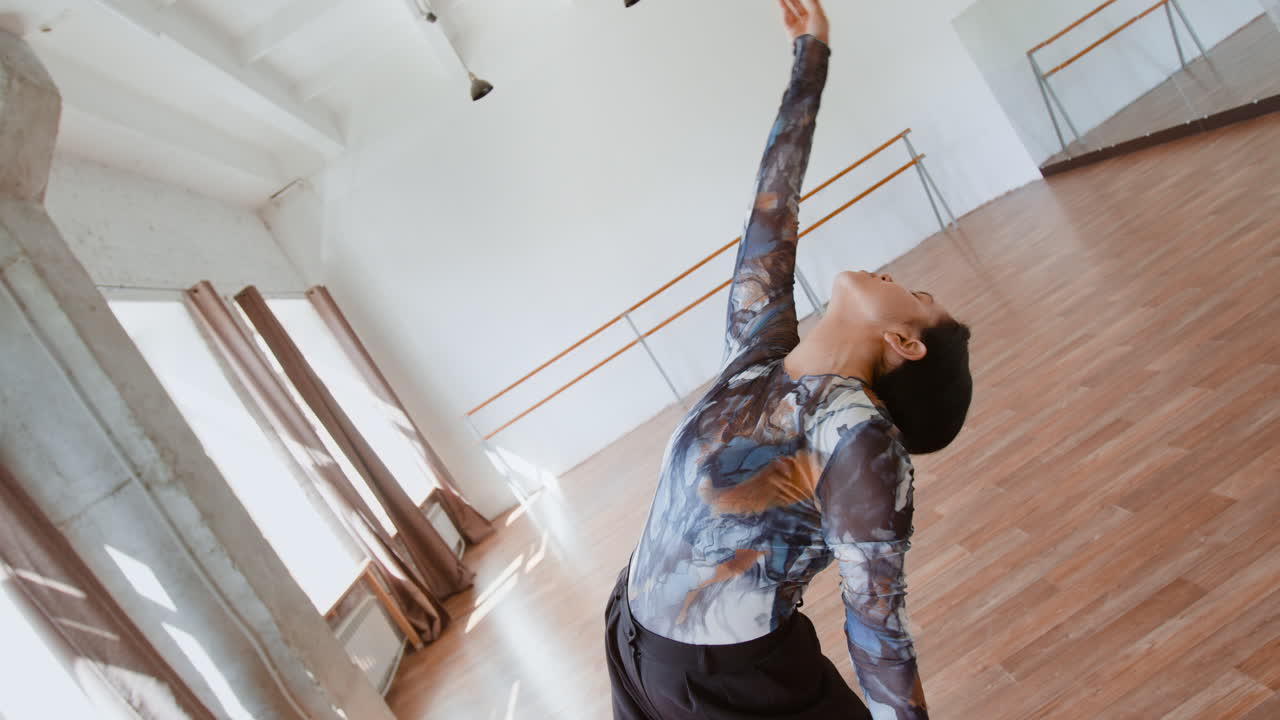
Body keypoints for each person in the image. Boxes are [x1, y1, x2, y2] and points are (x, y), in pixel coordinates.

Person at [604, 1, 973, 718]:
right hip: (634, 641)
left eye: (916, 294)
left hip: (738, 685)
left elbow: (877, 625)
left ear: (905, 343)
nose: (898, 274)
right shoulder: (758, 358)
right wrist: (812, 56)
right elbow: (773, 201)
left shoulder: (861, 439)